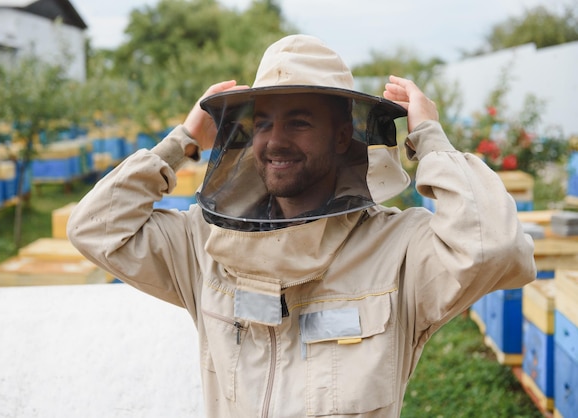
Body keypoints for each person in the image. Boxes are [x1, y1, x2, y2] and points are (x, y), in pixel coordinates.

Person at [67, 34, 535, 417]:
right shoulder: (202, 243)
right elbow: (94, 228)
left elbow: (493, 247)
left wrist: (430, 139)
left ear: (341, 135)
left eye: (298, 122)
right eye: (264, 123)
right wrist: (182, 141)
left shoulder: (399, 250)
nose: (275, 141)